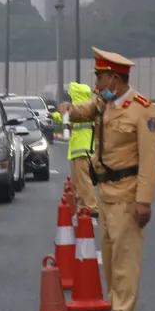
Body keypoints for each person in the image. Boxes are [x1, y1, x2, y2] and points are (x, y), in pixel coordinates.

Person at [58, 47, 155, 311]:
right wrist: (67, 109)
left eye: (100, 78)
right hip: (106, 193)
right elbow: (84, 111)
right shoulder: (105, 104)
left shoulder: (143, 110)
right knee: (113, 259)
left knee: (126, 261)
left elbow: (151, 161)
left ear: (115, 79)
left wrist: (145, 201)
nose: (97, 84)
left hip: (128, 194)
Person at [59, 81, 98, 215]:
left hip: (82, 150)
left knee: (84, 181)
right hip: (81, 150)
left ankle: (90, 206)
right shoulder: (85, 108)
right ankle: (83, 205)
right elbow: (64, 121)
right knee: (80, 182)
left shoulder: (80, 110)